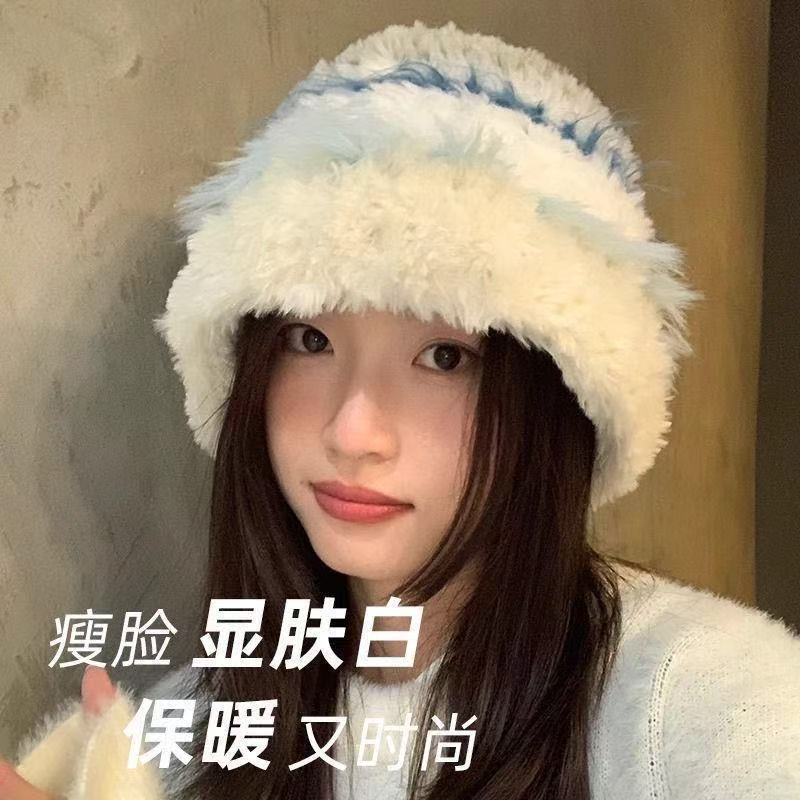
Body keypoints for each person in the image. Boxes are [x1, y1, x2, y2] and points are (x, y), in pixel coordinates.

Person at [3, 19, 799, 800]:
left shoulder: (696, 697)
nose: (352, 433)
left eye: (445, 357)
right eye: (309, 339)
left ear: (562, 400)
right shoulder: (180, 734)